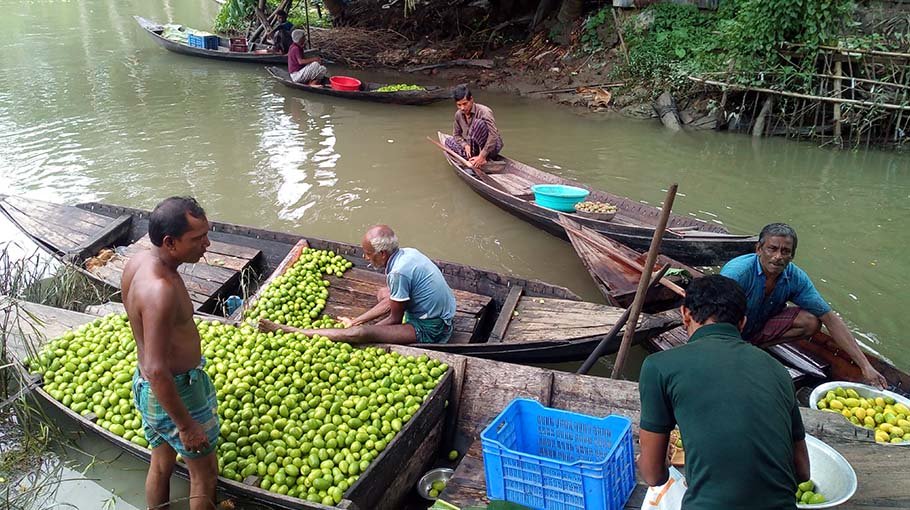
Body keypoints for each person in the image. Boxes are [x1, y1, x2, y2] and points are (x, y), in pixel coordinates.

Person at [638, 275, 810, 510]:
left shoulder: (658, 366)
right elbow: (802, 471)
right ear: (742, 323)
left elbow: (652, 475)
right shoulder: (778, 370)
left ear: (685, 314)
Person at [122, 197, 219, 510]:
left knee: (161, 463)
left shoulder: (137, 261)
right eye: (197, 238)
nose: (206, 244)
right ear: (170, 242)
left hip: (150, 391)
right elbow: (157, 369)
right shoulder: (160, 290)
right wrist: (187, 426)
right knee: (204, 476)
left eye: (206, 233)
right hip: (175, 391)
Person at [720, 223, 886, 388]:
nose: (778, 256)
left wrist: (865, 366)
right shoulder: (738, 273)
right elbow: (712, 316)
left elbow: (830, 318)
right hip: (728, 329)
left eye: (785, 251)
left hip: (759, 326)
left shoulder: (795, 277)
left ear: (792, 256)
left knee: (811, 321)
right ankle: (736, 348)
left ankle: (753, 346)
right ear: (759, 249)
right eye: (772, 249)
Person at [260, 225, 457, 344]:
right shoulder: (407, 253)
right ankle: (355, 326)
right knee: (383, 293)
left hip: (432, 327)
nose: (365, 257)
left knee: (361, 334)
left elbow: (394, 320)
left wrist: (361, 331)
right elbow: (391, 301)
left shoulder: (398, 272)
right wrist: (355, 320)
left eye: (368, 254)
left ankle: (291, 331)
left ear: (382, 254)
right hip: (439, 311)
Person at [444, 84, 503, 169]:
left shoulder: (484, 112)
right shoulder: (458, 115)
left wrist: (482, 155)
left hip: (491, 148)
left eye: (465, 104)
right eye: (459, 105)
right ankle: (472, 158)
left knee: (477, 123)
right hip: (473, 147)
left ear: (471, 99)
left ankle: (482, 159)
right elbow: (456, 135)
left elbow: (493, 135)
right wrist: (465, 145)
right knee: (448, 141)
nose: (462, 108)